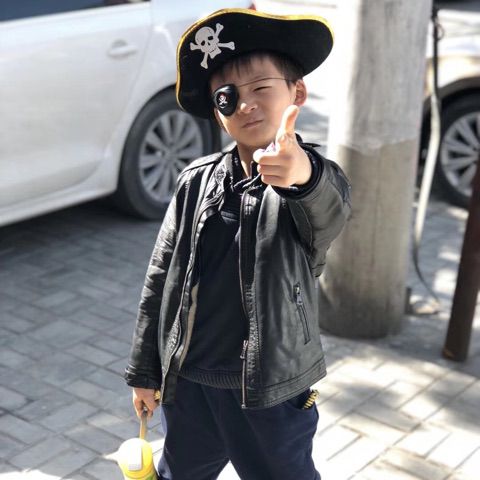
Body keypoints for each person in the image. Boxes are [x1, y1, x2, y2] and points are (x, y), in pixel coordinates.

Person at [124, 8, 351, 480]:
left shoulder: (308, 180)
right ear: (217, 112)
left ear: (297, 93)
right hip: (190, 381)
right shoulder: (195, 180)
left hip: (269, 391)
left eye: (261, 88)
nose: (245, 105)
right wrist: (145, 373)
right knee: (179, 473)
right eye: (227, 97)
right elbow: (160, 277)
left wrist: (300, 174)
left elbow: (329, 210)